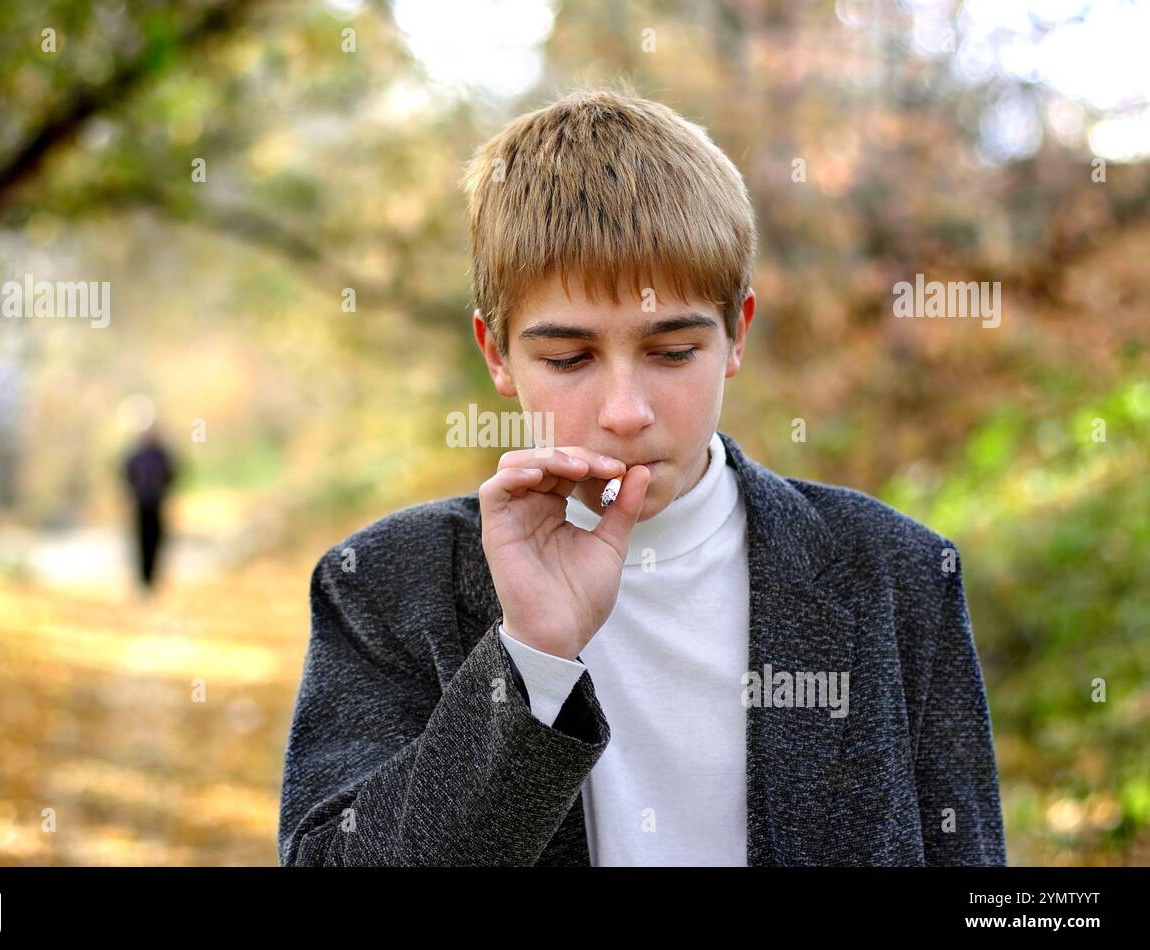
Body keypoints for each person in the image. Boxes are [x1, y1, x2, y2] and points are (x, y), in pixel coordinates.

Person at [276, 88, 1006, 866]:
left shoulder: (897, 575)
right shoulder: (385, 585)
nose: (625, 412)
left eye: (671, 352)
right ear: (496, 355)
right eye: (569, 359)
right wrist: (533, 660)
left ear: (736, 334)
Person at [122, 427, 176, 590]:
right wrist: (133, 491)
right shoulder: (136, 455)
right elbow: (127, 474)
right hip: (141, 502)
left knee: (156, 539)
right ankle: (143, 578)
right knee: (142, 540)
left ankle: (152, 577)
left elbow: (171, 474)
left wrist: (164, 490)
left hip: (157, 502)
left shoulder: (161, 455)